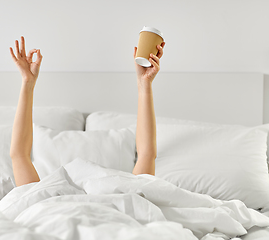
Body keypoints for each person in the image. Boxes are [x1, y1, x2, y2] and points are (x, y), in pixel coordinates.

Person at [9, 36, 165, 187]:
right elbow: (147, 156)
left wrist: (145, 84)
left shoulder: (40, 200)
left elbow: (19, 155)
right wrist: (27, 82)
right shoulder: (41, 200)